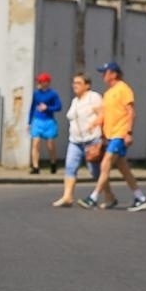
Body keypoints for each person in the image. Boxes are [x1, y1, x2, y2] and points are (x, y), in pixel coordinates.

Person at [82, 62, 146, 212]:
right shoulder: (108, 93)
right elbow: (107, 115)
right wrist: (97, 127)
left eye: (105, 72)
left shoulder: (124, 89)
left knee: (105, 164)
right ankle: (140, 197)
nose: (103, 75)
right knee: (124, 169)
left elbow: (131, 112)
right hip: (111, 136)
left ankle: (93, 198)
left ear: (114, 74)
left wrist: (129, 133)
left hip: (120, 133)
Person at [53, 72, 102, 208]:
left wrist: (96, 128)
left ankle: (109, 195)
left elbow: (102, 115)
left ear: (87, 85)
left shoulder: (94, 97)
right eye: (74, 83)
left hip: (91, 140)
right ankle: (67, 197)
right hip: (75, 141)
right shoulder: (75, 101)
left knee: (95, 171)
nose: (75, 85)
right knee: (70, 167)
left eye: (79, 83)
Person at [28, 71, 61, 174]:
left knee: (50, 144)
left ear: (47, 82)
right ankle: (35, 166)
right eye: (39, 81)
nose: (39, 83)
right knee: (35, 143)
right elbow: (32, 107)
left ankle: (53, 163)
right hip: (37, 120)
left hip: (49, 121)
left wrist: (47, 108)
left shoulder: (53, 94)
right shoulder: (36, 94)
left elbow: (59, 107)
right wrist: (29, 122)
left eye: (41, 81)